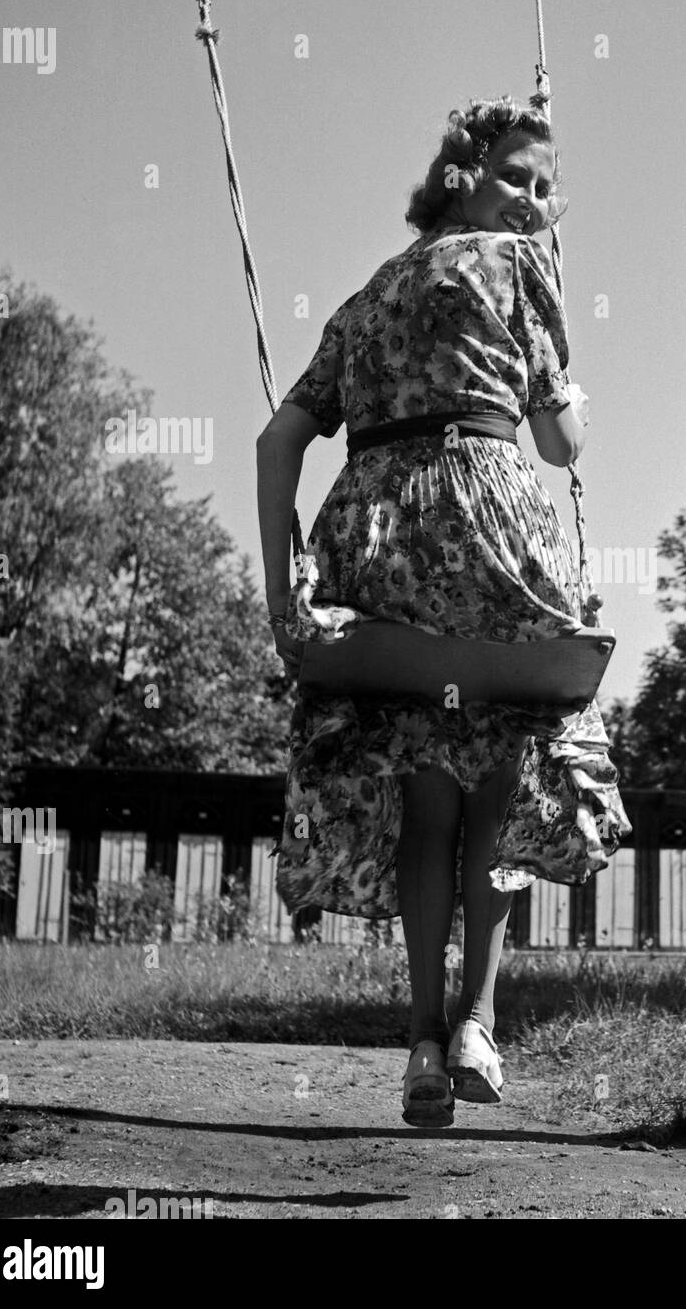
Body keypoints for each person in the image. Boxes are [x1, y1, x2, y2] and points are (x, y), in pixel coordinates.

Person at [256, 96, 631, 1128]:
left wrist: (283, 587)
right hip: (489, 524)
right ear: (461, 176)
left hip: (373, 538)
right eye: (520, 177)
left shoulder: (365, 296)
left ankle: (423, 1042)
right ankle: (477, 1021)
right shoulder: (519, 266)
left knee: (427, 794)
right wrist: (572, 400)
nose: (536, 203)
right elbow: (560, 443)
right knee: (506, 769)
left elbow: (274, 444)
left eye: (549, 190)